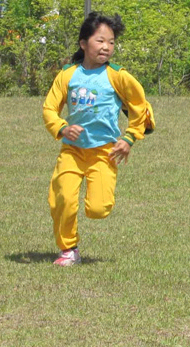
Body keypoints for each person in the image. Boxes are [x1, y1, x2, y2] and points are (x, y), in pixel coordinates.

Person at [42, 12, 155, 267]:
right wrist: (62, 128)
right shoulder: (67, 75)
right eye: (100, 41)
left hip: (105, 152)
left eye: (111, 42)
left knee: (98, 209)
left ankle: (92, 207)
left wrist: (129, 138)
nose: (106, 47)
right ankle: (68, 249)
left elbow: (140, 108)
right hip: (72, 151)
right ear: (83, 43)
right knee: (62, 199)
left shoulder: (118, 76)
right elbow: (49, 108)